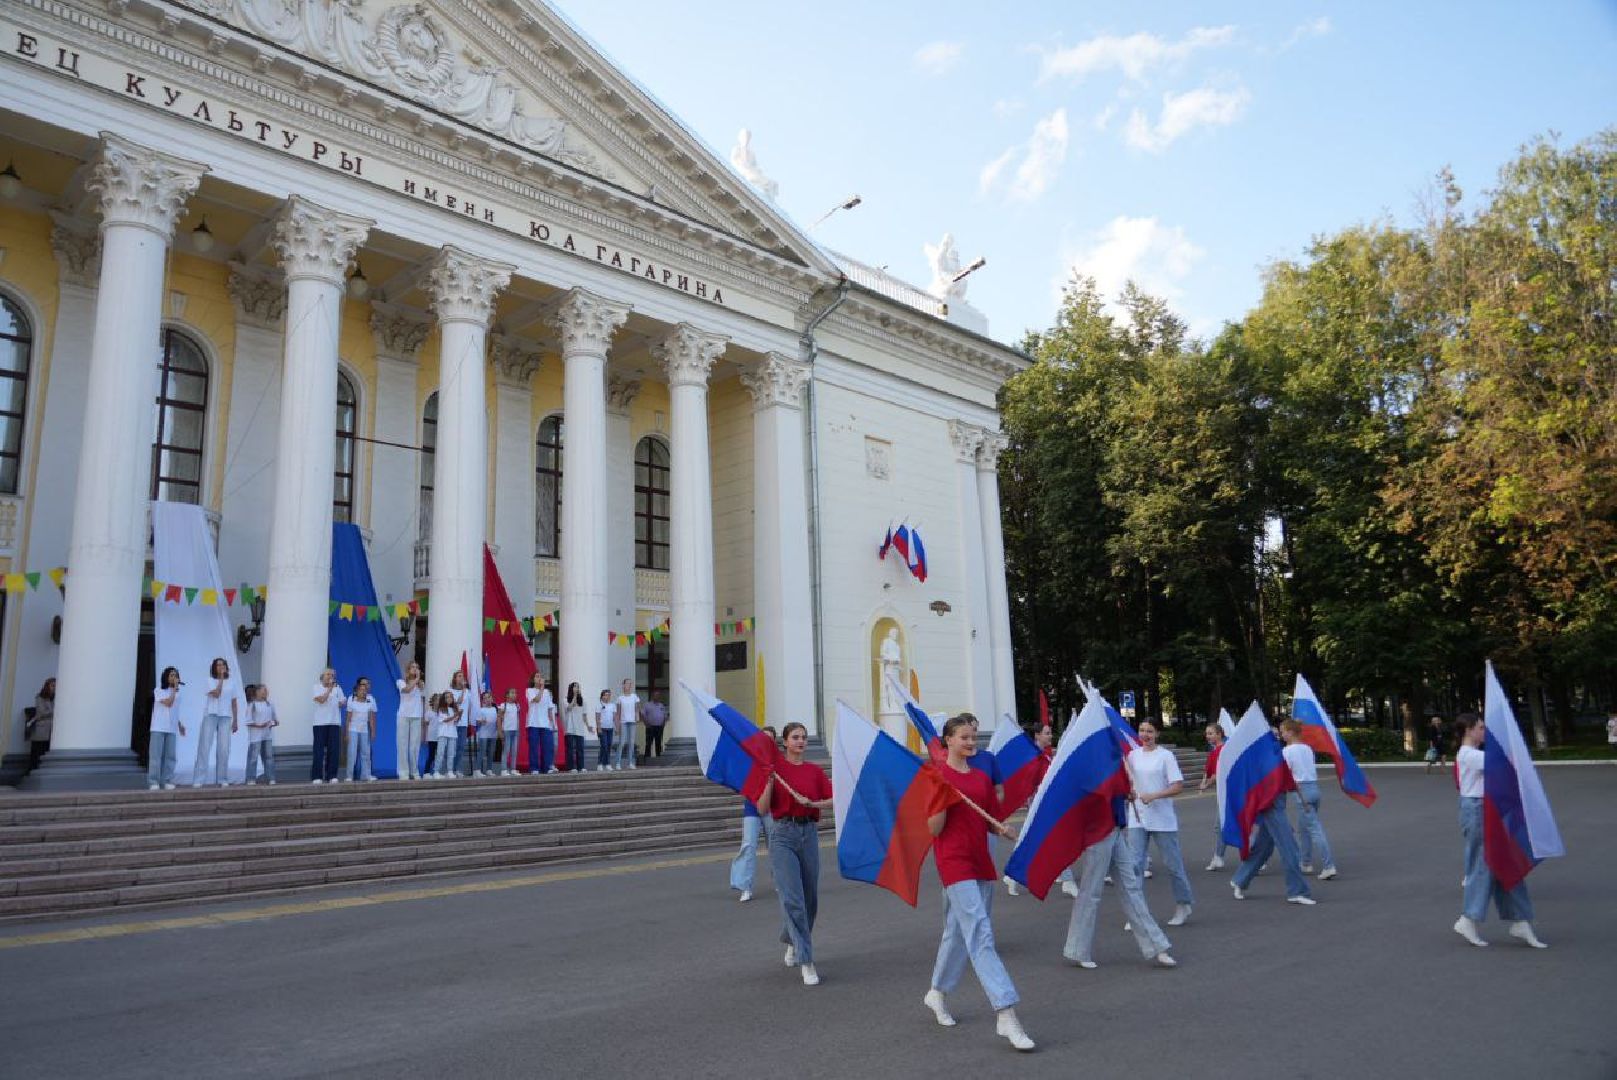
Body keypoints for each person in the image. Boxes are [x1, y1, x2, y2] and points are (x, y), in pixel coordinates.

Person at [922, 716, 1034, 1053]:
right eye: (964, 738)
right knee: (980, 934)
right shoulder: (939, 777)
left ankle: (937, 992)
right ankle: (1005, 1012)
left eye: (973, 738)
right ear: (948, 741)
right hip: (954, 863)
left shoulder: (982, 778)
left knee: (958, 931)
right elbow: (934, 829)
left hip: (980, 861)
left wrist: (1001, 828)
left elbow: (987, 819)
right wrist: (941, 798)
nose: (971, 743)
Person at [1062, 772, 1178, 971]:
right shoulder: (1092, 762)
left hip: (1115, 829)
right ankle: (1077, 949)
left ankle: (1157, 946)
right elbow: (1084, 796)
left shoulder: (1113, 759)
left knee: (1131, 887)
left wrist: (1125, 793)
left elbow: (1117, 790)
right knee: (1091, 892)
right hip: (1098, 832)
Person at [1453, 713, 1548, 948]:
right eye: (1481, 728)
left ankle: (1519, 920)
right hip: (1476, 809)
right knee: (1482, 865)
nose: (1485, 732)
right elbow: (1502, 766)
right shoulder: (1468, 754)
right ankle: (1469, 919)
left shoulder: (1477, 754)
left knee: (1504, 863)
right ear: (1468, 730)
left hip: (1488, 809)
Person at [758, 722, 833, 986]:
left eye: (804, 738)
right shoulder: (775, 771)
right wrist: (768, 782)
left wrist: (813, 803)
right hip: (782, 835)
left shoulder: (814, 771)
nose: (801, 742)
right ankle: (806, 960)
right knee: (793, 900)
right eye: (795, 737)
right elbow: (761, 808)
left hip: (808, 833)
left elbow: (833, 797)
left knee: (810, 900)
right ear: (785, 742)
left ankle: (792, 939)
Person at [1229, 721, 1316, 905]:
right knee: (1290, 848)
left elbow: (1290, 781)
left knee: (1263, 848)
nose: (1279, 736)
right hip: (1270, 809)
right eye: (1276, 734)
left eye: (1280, 733)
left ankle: (1239, 880)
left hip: (1276, 806)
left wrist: (1304, 800)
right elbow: (1253, 787)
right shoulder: (1265, 758)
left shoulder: (1279, 755)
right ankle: (1297, 891)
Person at [1125, 719, 1195, 925]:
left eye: (1150, 731)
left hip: (1162, 819)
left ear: (1157, 734)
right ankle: (1136, 912)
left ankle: (1183, 904)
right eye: (1142, 730)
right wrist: (1129, 794)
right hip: (1137, 817)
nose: (1145, 735)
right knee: (1135, 866)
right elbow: (1131, 783)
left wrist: (1154, 796)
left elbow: (1177, 786)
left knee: (1173, 865)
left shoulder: (1166, 756)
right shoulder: (1132, 755)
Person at [1280, 719, 1338, 880]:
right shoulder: (1307, 748)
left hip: (1301, 791)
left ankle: (1329, 865)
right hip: (1314, 788)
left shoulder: (1287, 751)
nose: (1281, 734)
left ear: (1290, 732)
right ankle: (1305, 862)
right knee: (1304, 827)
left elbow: (1286, 773)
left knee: (1314, 829)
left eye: (1283, 731)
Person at [730, 725, 779, 903]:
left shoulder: (778, 760)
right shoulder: (751, 758)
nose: (766, 741)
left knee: (775, 846)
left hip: (772, 809)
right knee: (748, 845)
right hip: (752, 807)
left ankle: (781, 882)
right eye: (763, 737)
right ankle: (745, 886)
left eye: (770, 738)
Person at [193, 657, 238, 787]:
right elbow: (217, 693)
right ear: (214, 668)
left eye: (223, 665)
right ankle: (198, 779)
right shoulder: (209, 681)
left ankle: (222, 779)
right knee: (204, 747)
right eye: (218, 665)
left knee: (224, 748)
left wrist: (235, 720)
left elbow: (234, 702)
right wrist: (222, 679)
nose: (221, 667)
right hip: (211, 715)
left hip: (226, 717)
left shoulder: (232, 682)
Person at [147, 667, 185, 790]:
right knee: (156, 756)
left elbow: (174, 710)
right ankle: (154, 781)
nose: (174, 677)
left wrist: (180, 725)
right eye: (171, 675)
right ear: (166, 677)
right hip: (158, 727)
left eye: (175, 675)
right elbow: (169, 703)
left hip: (172, 728)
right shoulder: (158, 690)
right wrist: (174, 688)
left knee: (170, 756)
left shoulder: (177, 694)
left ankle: (167, 780)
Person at [1198, 722, 1228, 870]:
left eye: (1210, 733)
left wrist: (1206, 784)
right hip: (1223, 793)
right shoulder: (1216, 751)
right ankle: (1218, 856)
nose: (1207, 736)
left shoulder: (1222, 751)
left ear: (1219, 734)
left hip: (1228, 794)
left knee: (1223, 826)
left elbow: (1217, 773)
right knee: (1221, 826)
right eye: (1207, 733)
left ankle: (1256, 857)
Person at [310, 668, 345, 784]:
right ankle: (317, 776)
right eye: (328, 674)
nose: (331, 676)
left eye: (333, 675)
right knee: (318, 751)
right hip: (320, 723)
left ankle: (332, 775)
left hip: (334, 722)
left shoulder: (338, 688)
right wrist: (330, 689)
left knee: (334, 750)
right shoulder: (316, 687)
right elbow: (321, 700)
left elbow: (342, 702)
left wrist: (341, 702)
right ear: (322, 677)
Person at [344, 677, 377, 782]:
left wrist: (373, 731)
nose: (363, 692)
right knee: (352, 752)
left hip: (364, 730)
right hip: (353, 729)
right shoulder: (351, 700)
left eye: (365, 690)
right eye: (361, 690)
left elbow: (371, 718)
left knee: (366, 753)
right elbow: (348, 718)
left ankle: (366, 775)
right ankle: (349, 776)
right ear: (356, 691)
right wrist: (346, 733)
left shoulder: (369, 702)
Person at [397, 661, 426, 781]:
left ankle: (414, 771)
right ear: (408, 670)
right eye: (413, 667)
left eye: (417, 667)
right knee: (402, 745)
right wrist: (417, 678)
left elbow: (422, 699)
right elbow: (407, 690)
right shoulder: (400, 682)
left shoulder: (420, 684)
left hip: (416, 716)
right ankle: (403, 772)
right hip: (403, 716)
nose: (415, 669)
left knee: (414, 746)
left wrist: (423, 717)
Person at [244, 683, 278, 785]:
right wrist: (259, 725)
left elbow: (275, 719)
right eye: (263, 691)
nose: (265, 693)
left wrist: (273, 723)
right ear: (257, 692)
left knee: (268, 756)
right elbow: (248, 721)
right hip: (256, 737)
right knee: (253, 757)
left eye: (266, 691)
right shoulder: (252, 705)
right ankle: (251, 778)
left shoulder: (270, 704)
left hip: (267, 736)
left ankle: (271, 778)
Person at [526, 673, 557, 774]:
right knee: (534, 747)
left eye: (540, 676)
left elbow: (549, 709)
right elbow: (537, 700)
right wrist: (542, 688)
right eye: (537, 676)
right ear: (533, 679)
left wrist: (552, 723)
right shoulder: (529, 691)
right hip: (533, 723)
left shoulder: (547, 692)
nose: (539, 678)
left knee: (547, 747)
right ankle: (534, 768)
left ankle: (547, 767)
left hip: (545, 723)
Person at [26, 677, 54, 771]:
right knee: (37, 752)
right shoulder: (40, 697)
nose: (54, 688)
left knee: (46, 751)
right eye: (52, 686)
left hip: (51, 730)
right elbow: (41, 713)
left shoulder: (56, 698)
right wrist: (54, 712)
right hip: (41, 729)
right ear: (47, 686)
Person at [448, 669, 472, 779]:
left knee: (461, 747)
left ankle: (457, 769)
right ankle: (450, 770)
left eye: (463, 676)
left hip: (463, 724)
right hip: (453, 723)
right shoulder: (450, 691)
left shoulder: (468, 692)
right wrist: (463, 690)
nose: (461, 678)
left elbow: (470, 706)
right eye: (459, 676)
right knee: (452, 747)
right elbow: (458, 702)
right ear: (455, 679)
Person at [614, 678, 641, 770]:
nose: (629, 686)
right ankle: (618, 763)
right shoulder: (620, 698)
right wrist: (617, 727)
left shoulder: (634, 696)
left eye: (630, 684)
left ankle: (630, 762)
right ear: (623, 685)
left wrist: (637, 716)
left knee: (631, 742)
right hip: (623, 722)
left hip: (632, 722)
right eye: (627, 684)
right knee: (621, 742)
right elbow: (618, 713)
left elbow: (637, 708)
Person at [562, 682, 588, 773]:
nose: (577, 688)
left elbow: (584, 715)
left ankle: (581, 766)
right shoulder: (565, 700)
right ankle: (571, 767)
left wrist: (588, 726)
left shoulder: (583, 701)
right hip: (570, 728)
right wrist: (574, 696)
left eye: (578, 687)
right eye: (575, 687)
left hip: (579, 727)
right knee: (570, 749)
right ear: (571, 688)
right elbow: (569, 708)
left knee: (580, 748)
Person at [498, 688, 522, 776]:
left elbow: (518, 718)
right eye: (512, 693)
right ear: (507, 695)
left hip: (515, 731)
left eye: (515, 693)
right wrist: (500, 732)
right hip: (506, 731)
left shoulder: (517, 706)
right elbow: (499, 719)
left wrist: (518, 730)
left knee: (514, 751)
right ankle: (503, 769)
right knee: (506, 750)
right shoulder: (503, 705)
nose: (514, 694)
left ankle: (513, 769)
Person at [474, 690, 498, 777]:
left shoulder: (495, 709)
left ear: (492, 698)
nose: (487, 699)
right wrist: (481, 721)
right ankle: (477, 770)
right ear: (483, 701)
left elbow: (498, 720)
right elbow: (477, 721)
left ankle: (489, 769)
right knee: (482, 751)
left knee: (491, 752)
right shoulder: (481, 710)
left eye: (488, 697)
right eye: (485, 698)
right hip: (483, 734)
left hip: (493, 734)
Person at [595, 688, 616, 771]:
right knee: (604, 745)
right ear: (602, 696)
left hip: (610, 728)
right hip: (602, 728)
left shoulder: (612, 705)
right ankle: (601, 763)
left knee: (609, 745)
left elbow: (614, 717)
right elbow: (597, 718)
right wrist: (599, 728)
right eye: (606, 695)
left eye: (609, 695)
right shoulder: (599, 705)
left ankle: (606, 763)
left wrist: (617, 727)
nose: (608, 697)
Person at [642, 693, 669, 758]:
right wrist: (645, 723)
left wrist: (663, 723)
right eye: (655, 695)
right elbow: (643, 714)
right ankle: (647, 758)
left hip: (659, 727)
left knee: (659, 742)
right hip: (650, 727)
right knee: (648, 743)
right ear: (652, 696)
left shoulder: (661, 705)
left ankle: (658, 757)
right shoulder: (647, 705)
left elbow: (665, 715)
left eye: (658, 695)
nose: (657, 697)